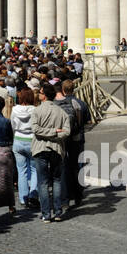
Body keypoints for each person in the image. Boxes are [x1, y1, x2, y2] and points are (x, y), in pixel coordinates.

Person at [31, 84, 70, 222]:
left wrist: (46, 133)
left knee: (43, 182)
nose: (39, 94)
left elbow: (35, 129)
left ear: (44, 95)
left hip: (40, 148)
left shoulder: (37, 111)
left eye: (40, 92)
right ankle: (58, 212)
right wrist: (54, 132)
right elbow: (66, 132)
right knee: (57, 180)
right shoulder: (61, 112)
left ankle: (46, 214)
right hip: (57, 148)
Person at [56, 79, 91, 207]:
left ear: (63, 90)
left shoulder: (59, 104)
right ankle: (78, 194)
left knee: (65, 166)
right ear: (74, 88)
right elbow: (87, 121)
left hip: (64, 138)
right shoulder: (80, 103)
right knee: (77, 166)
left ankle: (66, 195)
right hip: (78, 138)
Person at [11, 87, 39, 209]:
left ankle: (23, 198)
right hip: (32, 140)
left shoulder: (14, 109)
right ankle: (33, 194)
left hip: (18, 139)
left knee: (21, 171)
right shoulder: (35, 110)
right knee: (34, 169)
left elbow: (12, 125)